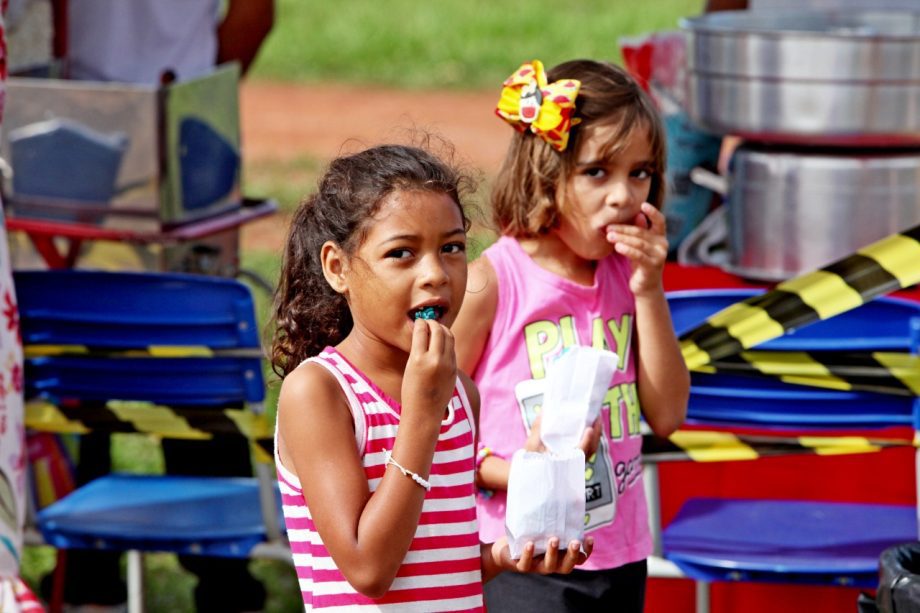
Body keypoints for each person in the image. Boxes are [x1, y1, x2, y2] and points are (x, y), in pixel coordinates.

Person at [269, 143, 593, 610]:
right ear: (338, 268)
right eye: (402, 253)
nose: (435, 274)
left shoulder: (460, 394)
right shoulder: (320, 392)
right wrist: (421, 415)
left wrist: (501, 554)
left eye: (452, 248)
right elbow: (369, 570)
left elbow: (437, 559)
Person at [39, 2, 276, 611]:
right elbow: (257, 14)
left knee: (122, 346)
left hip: (99, 119)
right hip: (95, 119)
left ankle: (185, 578)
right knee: (146, 346)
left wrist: (190, 101)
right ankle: (106, 574)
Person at [451, 59, 691, 612]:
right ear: (545, 174)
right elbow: (433, 424)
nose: (623, 195)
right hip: (519, 554)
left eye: (640, 173)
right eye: (597, 172)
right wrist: (520, 474)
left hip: (619, 552)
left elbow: (668, 414)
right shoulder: (494, 282)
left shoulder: (629, 279)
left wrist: (649, 290)